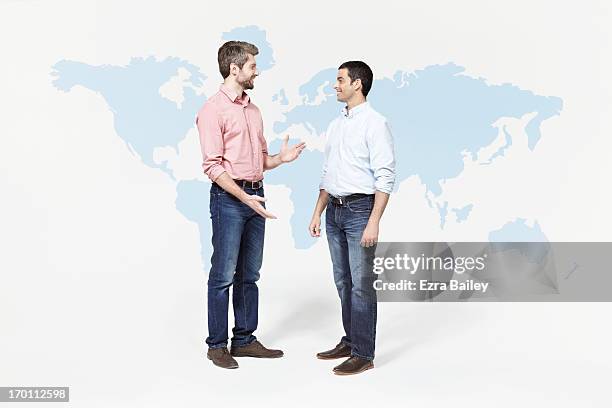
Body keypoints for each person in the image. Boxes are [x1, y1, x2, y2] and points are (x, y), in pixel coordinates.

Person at [196, 40, 306, 369]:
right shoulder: (212, 110)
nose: (256, 71)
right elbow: (213, 166)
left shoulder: (254, 111)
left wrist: (280, 159)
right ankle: (217, 346)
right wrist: (244, 197)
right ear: (235, 69)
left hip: (256, 196)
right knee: (223, 275)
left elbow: (259, 160)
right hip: (230, 200)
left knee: (250, 274)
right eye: (252, 66)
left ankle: (244, 340)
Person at [309, 61, 396, 375]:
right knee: (343, 281)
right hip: (333, 210)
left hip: (360, 211)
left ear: (357, 84)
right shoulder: (336, 125)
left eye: (340, 80)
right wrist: (318, 211)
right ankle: (350, 340)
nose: (335, 85)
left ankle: (363, 353)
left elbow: (385, 176)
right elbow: (327, 173)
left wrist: (374, 221)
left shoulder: (375, 123)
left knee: (361, 285)